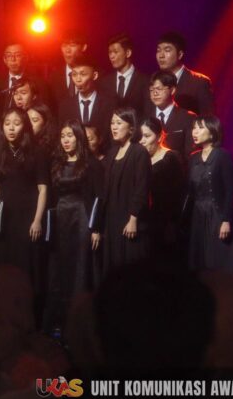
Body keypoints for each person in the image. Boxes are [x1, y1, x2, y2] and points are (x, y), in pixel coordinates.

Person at [43, 121, 103, 332]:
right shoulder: (56, 163)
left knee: (79, 265)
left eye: (70, 136)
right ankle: (58, 320)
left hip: (81, 217)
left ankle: (77, 322)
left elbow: (99, 197)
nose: (66, 140)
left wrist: (96, 228)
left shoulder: (91, 164)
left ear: (79, 137)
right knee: (59, 267)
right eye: (63, 136)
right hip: (60, 217)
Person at [0, 107, 48, 282]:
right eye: (7, 124)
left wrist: (37, 220)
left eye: (16, 124)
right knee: (0, 260)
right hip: (2, 214)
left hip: (27, 215)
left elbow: (43, 189)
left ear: (25, 126)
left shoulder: (37, 153)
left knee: (24, 262)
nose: (11, 128)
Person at [188, 116, 233, 275]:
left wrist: (226, 220)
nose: (195, 132)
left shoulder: (222, 155)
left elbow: (230, 189)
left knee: (220, 259)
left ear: (212, 132)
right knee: (201, 261)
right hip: (199, 214)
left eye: (200, 128)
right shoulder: (193, 158)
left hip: (218, 213)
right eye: (194, 128)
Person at [101, 108, 151, 274]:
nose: (114, 127)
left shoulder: (139, 152)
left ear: (131, 128)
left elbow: (141, 187)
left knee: (129, 266)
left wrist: (133, 218)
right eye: (112, 123)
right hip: (112, 217)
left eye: (118, 123)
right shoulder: (112, 152)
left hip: (129, 217)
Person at [138, 117, 185, 265]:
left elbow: (179, 193)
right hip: (146, 221)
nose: (142, 141)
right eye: (140, 137)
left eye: (147, 136)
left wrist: (172, 224)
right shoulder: (140, 160)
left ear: (159, 137)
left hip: (166, 222)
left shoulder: (171, 157)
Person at [58, 55, 115, 153]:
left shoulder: (110, 104)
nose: (78, 79)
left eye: (83, 74)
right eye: (74, 74)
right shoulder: (65, 106)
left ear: (95, 75)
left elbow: (112, 137)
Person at [156, 31, 214, 115]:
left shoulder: (199, 83)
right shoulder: (153, 82)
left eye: (167, 50)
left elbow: (208, 118)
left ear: (180, 54)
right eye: (158, 50)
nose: (161, 55)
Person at [0, 41, 49, 119]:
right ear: (4, 60)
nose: (13, 59)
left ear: (26, 58)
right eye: (9, 55)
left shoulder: (38, 83)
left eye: (17, 55)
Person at [146, 70, 196, 159]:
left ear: (172, 90)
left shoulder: (188, 117)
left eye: (159, 89)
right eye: (151, 89)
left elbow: (191, 154)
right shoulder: (144, 116)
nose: (155, 93)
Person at [101, 32, 149, 114]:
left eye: (115, 52)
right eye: (110, 52)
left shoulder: (145, 81)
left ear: (128, 53)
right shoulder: (104, 82)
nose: (111, 56)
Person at [48, 31, 89, 103]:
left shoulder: (98, 76)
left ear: (84, 47)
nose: (67, 50)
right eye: (64, 46)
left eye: (72, 45)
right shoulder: (53, 77)